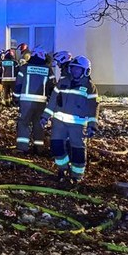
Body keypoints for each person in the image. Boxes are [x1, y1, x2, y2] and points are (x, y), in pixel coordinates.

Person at [42, 56, 98, 184]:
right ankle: (63, 168)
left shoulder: (90, 87)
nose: (75, 71)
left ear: (86, 71)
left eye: (78, 69)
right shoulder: (63, 82)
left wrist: (92, 125)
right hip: (59, 123)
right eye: (73, 68)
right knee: (56, 147)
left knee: (78, 150)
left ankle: (76, 176)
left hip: (78, 125)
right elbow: (52, 101)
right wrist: (45, 117)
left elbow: (93, 107)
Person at [14, 47, 55, 154]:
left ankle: (22, 147)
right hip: (41, 102)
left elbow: (18, 84)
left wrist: (16, 98)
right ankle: (39, 147)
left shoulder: (24, 68)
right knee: (38, 124)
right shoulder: (48, 70)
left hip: (25, 102)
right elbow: (52, 87)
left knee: (23, 123)